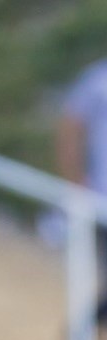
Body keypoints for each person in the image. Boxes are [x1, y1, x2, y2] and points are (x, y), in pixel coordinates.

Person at [56, 57, 107, 325]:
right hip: (101, 202)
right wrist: (75, 180)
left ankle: (83, 332)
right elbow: (71, 125)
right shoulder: (99, 79)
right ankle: (82, 333)